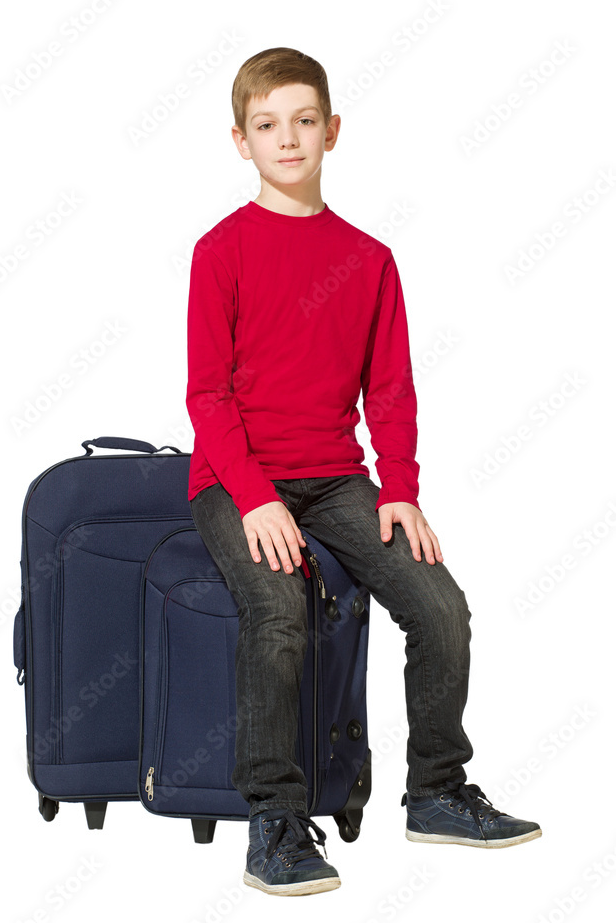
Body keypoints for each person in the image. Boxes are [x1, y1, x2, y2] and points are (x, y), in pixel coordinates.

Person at [185, 46, 541, 898]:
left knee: (439, 606)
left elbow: (389, 390)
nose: (288, 139)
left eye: (304, 121)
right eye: (267, 125)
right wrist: (256, 498)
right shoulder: (220, 250)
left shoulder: (368, 258)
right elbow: (207, 395)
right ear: (240, 141)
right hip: (237, 480)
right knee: (279, 612)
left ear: (332, 130)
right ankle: (275, 822)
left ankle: (437, 792)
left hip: (337, 479)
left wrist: (402, 490)